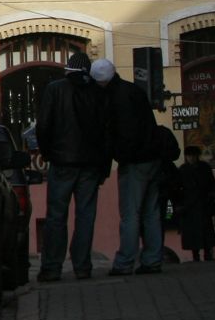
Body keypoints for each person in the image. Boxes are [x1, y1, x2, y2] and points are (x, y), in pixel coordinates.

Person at [34, 51, 110, 282]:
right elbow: (106, 132)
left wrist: (47, 154)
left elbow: (44, 125)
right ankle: (82, 266)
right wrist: (104, 167)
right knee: (85, 215)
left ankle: (52, 267)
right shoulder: (97, 92)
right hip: (90, 164)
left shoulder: (55, 89)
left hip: (62, 161)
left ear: (68, 69)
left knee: (56, 215)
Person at [100, 59, 167, 276]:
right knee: (151, 212)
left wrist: (118, 156)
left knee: (130, 214)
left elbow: (125, 134)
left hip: (134, 162)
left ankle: (124, 262)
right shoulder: (133, 90)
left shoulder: (115, 98)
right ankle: (152, 260)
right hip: (153, 158)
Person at [178, 144, 215, 262]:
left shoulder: (204, 168)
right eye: (189, 156)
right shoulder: (183, 169)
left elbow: (212, 184)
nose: (191, 158)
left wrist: (210, 197)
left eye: (193, 156)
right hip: (190, 206)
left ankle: (207, 253)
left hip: (202, 204)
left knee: (204, 231)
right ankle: (195, 255)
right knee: (194, 232)